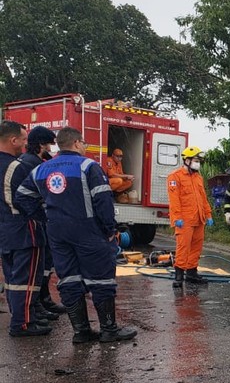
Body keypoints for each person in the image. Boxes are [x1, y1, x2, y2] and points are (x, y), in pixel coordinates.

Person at [14, 126, 136, 343]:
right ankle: (109, 330)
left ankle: (81, 332)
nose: (85, 147)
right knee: (101, 279)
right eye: (84, 143)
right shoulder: (89, 167)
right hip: (88, 230)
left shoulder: (41, 169)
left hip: (57, 232)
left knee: (68, 278)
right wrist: (110, 229)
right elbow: (103, 201)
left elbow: (22, 197)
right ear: (77, 143)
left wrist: (45, 217)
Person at [0, 121, 51, 337]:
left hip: (5, 229)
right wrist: (44, 217)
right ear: (13, 140)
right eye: (23, 139)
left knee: (12, 277)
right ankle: (23, 323)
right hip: (24, 229)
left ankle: (19, 318)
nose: (25, 144)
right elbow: (28, 199)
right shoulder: (17, 167)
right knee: (27, 278)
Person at [22, 126, 66, 316]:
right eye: (50, 144)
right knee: (39, 264)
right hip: (37, 222)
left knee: (46, 263)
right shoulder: (33, 165)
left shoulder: (35, 162)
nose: (51, 148)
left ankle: (44, 299)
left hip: (40, 221)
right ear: (41, 145)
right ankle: (38, 304)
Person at [166, 146, 213, 287]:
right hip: (184, 220)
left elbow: (203, 198)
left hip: (199, 218)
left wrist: (208, 214)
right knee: (183, 247)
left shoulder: (198, 177)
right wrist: (177, 218)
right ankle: (179, 275)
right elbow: (174, 200)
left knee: (196, 247)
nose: (198, 163)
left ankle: (192, 273)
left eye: (199, 161)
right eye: (196, 160)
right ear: (187, 160)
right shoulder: (175, 177)